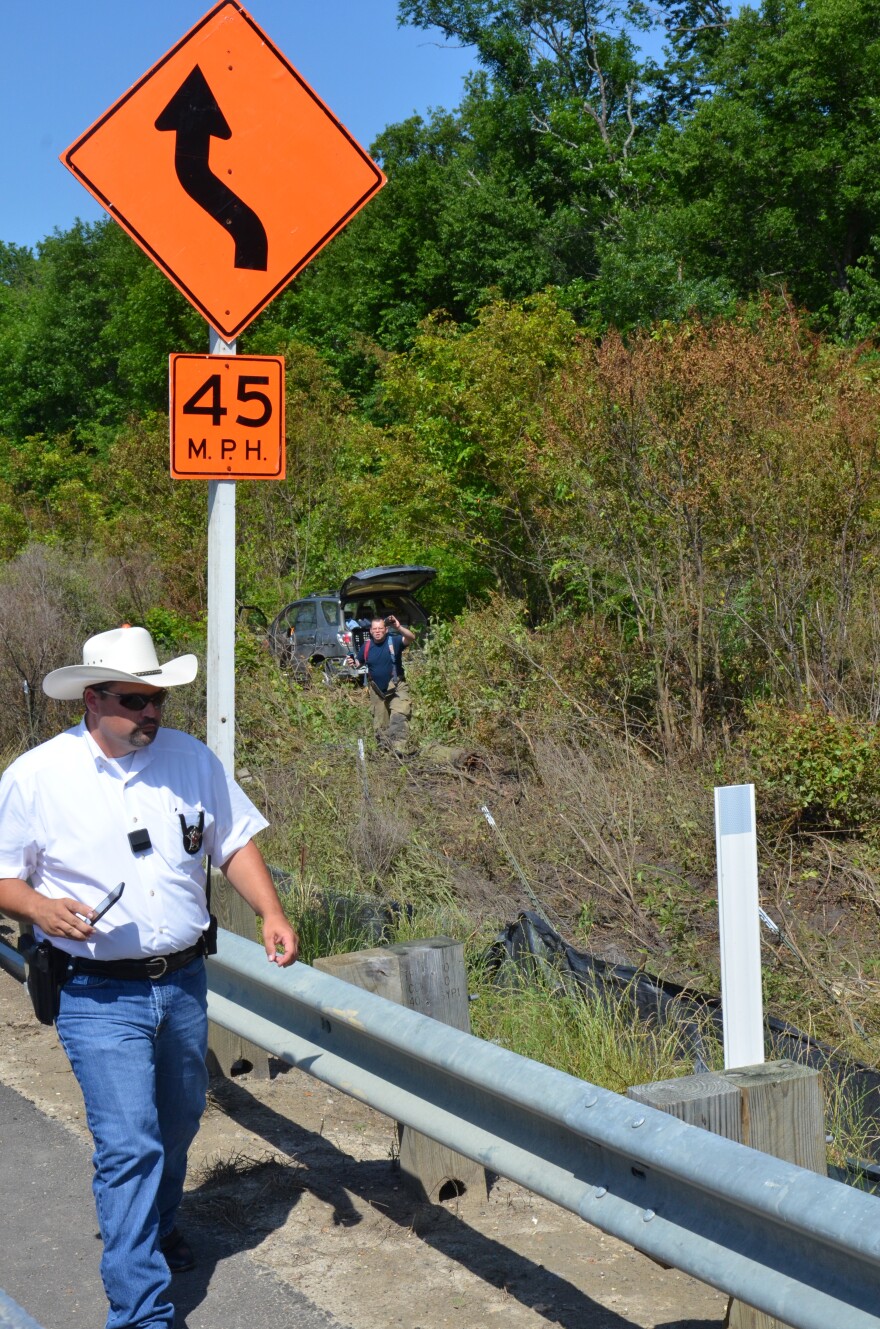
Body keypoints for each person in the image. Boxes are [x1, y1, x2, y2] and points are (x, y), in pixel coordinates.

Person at [0, 624, 298, 1329]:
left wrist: (271, 910)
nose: (152, 712)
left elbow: (233, 842)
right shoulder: (38, 777)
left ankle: (159, 1227)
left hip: (184, 983)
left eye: (158, 698)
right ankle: (141, 1311)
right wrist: (40, 906)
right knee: (129, 1141)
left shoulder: (191, 760)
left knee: (178, 1119)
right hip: (96, 993)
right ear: (92, 700)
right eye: (136, 701)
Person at [354, 614, 415, 753]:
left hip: (396, 687)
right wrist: (353, 662)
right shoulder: (367, 646)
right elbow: (358, 663)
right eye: (374, 629)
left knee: (399, 716)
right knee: (380, 726)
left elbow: (411, 638)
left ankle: (400, 752)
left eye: (380, 628)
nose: (377, 631)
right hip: (377, 691)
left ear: (385, 629)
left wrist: (398, 627)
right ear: (370, 631)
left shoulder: (394, 641)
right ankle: (384, 754)